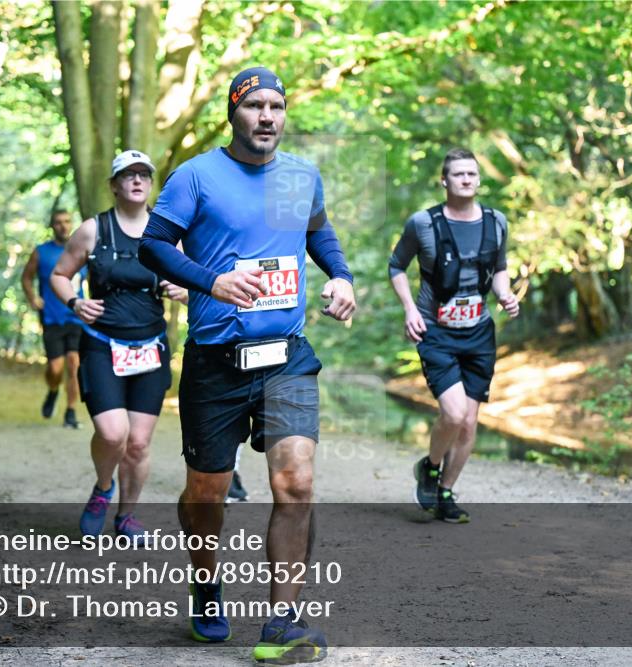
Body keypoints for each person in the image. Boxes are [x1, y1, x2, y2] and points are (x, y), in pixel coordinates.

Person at [140, 66, 355, 664]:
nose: (267, 116)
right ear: (233, 113)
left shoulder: (299, 176)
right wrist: (213, 280)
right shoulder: (197, 177)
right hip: (216, 361)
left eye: (276, 106)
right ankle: (206, 585)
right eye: (255, 105)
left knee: (297, 482)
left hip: (286, 355)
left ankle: (281, 619)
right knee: (206, 491)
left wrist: (340, 275)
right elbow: (152, 244)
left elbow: (318, 232)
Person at [51, 149, 188, 543]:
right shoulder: (93, 230)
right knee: (113, 434)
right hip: (101, 345)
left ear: (151, 184)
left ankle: (127, 517)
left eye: (144, 174)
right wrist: (75, 302)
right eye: (128, 174)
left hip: (149, 347)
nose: (137, 180)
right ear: (114, 185)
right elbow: (61, 275)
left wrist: (182, 288)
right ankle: (103, 486)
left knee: (139, 442)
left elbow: (195, 283)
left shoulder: (164, 234)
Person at [388, 147, 519, 524]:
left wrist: (505, 294)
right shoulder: (423, 224)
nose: (466, 179)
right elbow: (397, 266)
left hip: (478, 333)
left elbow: (499, 269)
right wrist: (410, 308)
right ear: (444, 181)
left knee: (469, 423)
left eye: (472, 174)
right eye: (459, 174)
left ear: (479, 180)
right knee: (454, 412)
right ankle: (429, 467)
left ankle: (445, 492)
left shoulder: (496, 222)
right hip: (436, 332)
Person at [21, 209, 87, 428]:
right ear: (52, 226)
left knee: (74, 364)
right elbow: (26, 278)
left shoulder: (82, 252)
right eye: (58, 222)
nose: (63, 226)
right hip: (51, 317)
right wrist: (33, 298)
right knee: (55, 368)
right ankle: (52, 390)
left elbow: (95, 280)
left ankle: (70, 412)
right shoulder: (41, 252)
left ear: (72, 224)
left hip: (76, 317)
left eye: (67, 221)